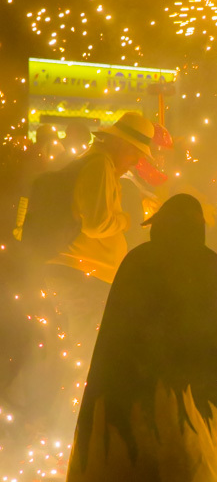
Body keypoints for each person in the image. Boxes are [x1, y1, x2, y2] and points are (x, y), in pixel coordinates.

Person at [61, 194, 217, 482]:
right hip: (192, 363)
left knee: (147, 434)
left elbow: (118, 319)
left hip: (139, 365)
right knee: (186, 430)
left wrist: (118, 363)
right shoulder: (210, 262)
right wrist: (210, 353)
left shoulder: (139, 259)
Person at [45, 111, 155, 364]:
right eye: (134, 153)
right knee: (86, 357)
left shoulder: (97, 163)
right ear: (119, 144)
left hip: (82, 275)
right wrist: (128, 219)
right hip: (83, 275)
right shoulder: (100, 164)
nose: (136, 161)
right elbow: (97, 225)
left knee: (82, 354)